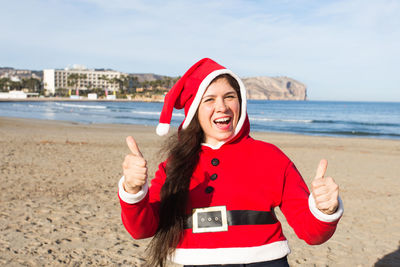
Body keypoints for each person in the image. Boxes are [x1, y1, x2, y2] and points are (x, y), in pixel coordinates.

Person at [118, 58, 344, 267]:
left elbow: (312, 234)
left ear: (240, 103)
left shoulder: (272, 158)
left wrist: (325, 210)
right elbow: (141, 229)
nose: (222, 107)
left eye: (229, 97)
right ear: (194, 110)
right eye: (209, 100)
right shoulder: (173, 165)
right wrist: (133, 191)